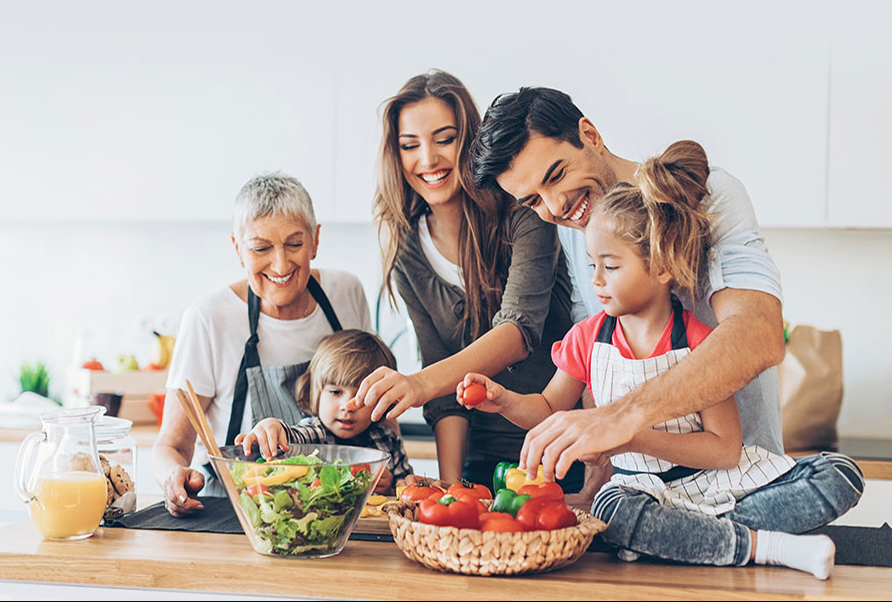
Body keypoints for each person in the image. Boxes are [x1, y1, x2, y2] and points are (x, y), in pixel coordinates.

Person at [458, 141, 864, 579]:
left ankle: (678, 539)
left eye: (610, 266)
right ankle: (763, 547)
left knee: (840, 474)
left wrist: (630, 435)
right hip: (642, 493)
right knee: (613, 509)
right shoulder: (586, 339)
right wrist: (503, 401)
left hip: (717, 484)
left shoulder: (701, 344)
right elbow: (548, 408)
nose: (595, 281)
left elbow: (726, 450)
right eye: (592, 264)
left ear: (662, 266)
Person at [471, 87, 788, 482]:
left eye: (556, 175)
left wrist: (623, 419)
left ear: (590, 135)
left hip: (745, 478)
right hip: (642, 487)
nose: (555, 208)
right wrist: (597, 480)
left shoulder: (710, 194)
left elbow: (759, 333)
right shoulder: (577, 227)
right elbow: (595, 366)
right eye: (533, 201)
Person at [349, 70, 583, 489]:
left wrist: (418, 383)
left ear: (470, 142)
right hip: (479, 461)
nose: (428, 159)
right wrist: (451, 488)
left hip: (561, 451)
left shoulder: (525, 212)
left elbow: (517, 331)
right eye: (410, 145)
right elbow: (441, 389)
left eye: (444, 139)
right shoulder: (407, 250)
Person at [153, 173, 372, 517]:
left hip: (334, 511)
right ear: (238, 248)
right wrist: (172, 477)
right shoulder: (208, 318)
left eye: (295, 244)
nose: (281, 265)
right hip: (236, 514)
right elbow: (172, 444)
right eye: (261, 248)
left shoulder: (346, 294)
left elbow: (377, 408)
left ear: (315, 240)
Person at [235, 329, 413, 494]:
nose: (348, 406)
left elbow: (406, 489)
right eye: (335, 392)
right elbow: (292, 437)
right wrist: (272, 427)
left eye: (362, 397)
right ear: (315, 393)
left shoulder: (388, 440)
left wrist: (391, 487)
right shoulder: (314, 432)